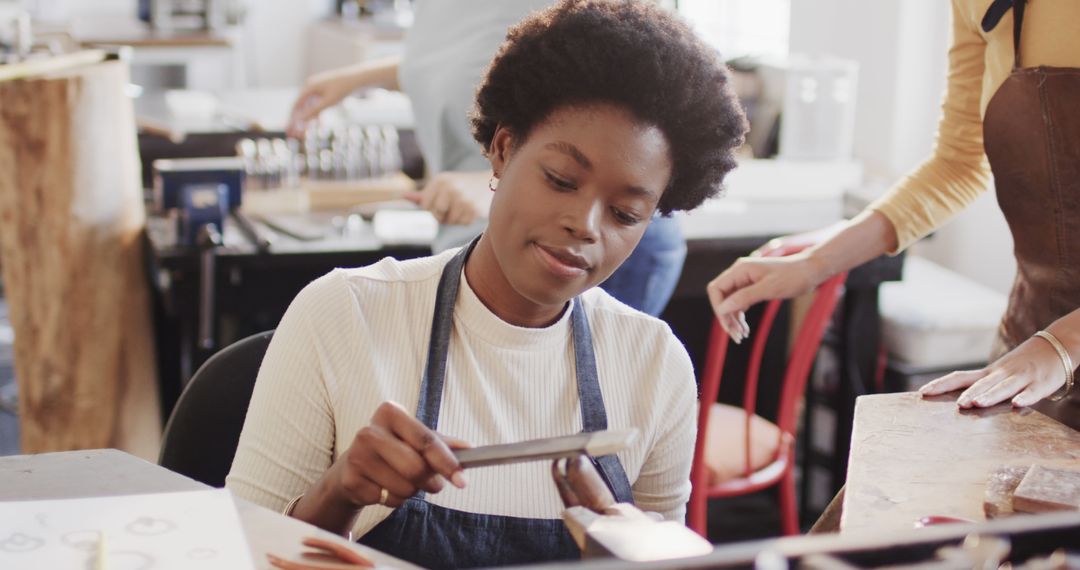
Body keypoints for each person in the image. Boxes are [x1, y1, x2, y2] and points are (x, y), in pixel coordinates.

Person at [227, 1, 749, 568]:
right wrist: (339, 494)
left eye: (625, 214)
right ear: (502, 150)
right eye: (560, 180)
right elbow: (240, 556)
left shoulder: (654, 366)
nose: (586, 225)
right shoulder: (344, 315)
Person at [706, 0, 1079, 412]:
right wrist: (813, 264)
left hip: (1050, 350)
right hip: (1025, 349)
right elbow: (957, 166)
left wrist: (1061, 344)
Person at [286, 0, 688, 317]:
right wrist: (359, 79)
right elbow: (474, 58)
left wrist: (497, 176)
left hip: (579, 247)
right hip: (485, 235)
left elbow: (630, 105)